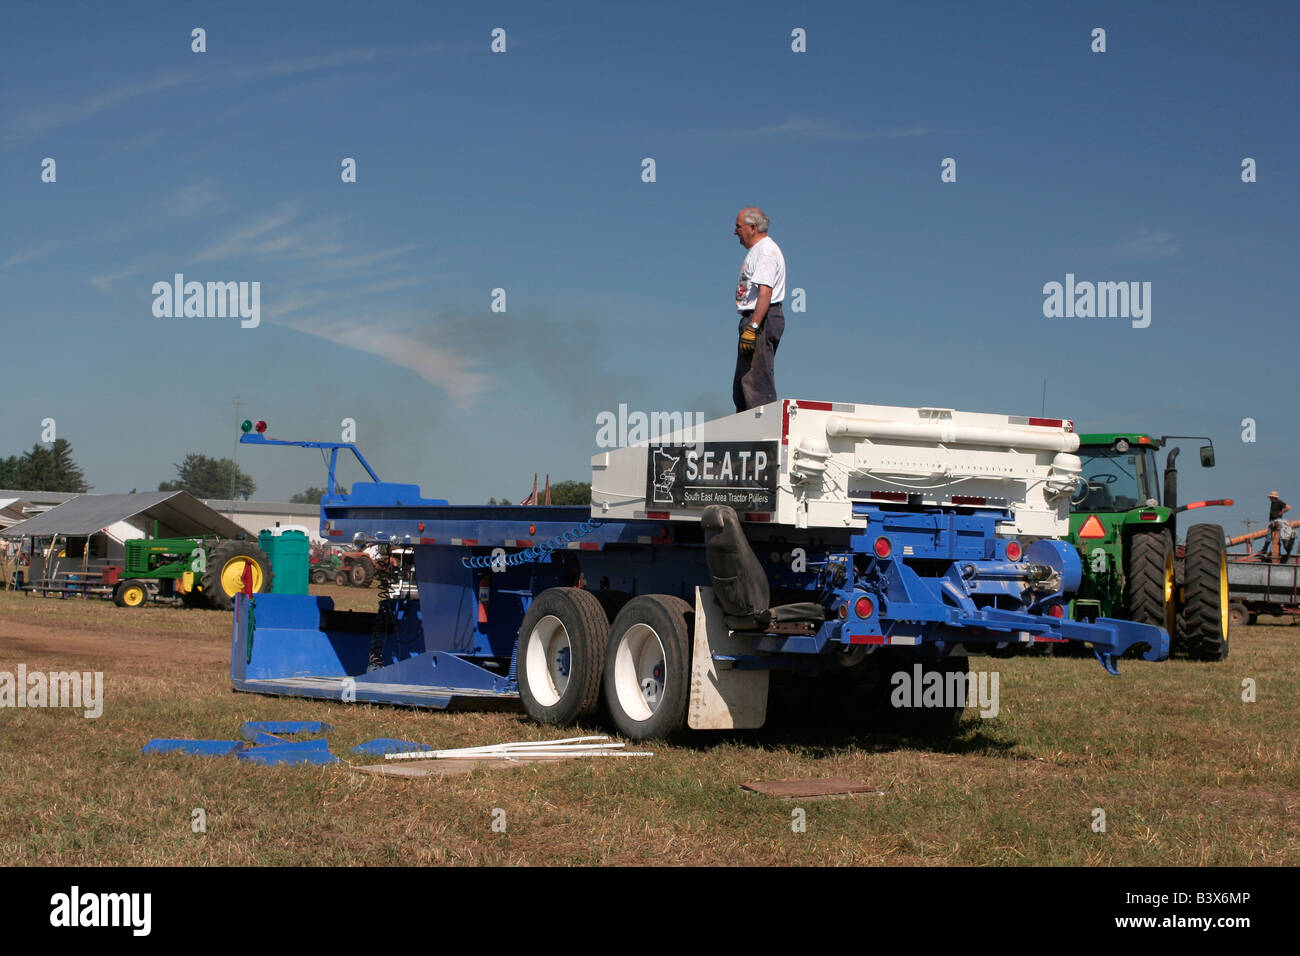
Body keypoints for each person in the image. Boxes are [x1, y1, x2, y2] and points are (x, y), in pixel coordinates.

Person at [732, 206, 786, 412]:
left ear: (752, 227)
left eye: (738, 227)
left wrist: (753, 327)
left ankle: (761, 433)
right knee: (744, 384)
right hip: (756, 317)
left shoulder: (765, 251)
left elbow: (765, 293)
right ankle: (746, 431)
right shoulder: (758, 251)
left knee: (756, 384)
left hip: (761, 317)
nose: (736, 232)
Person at [1259, 491, 1293, 559]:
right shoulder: (1273, 503)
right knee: (1272, 537)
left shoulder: (1279, 502)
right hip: (1273, 521)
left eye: (1270, 497)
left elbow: (1288, 507)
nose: (1269, 498)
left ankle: (1265, 549)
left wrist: (1281, 512)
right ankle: (1265, 549)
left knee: (1272, 536)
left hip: (1276, 521)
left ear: (1273, 497)